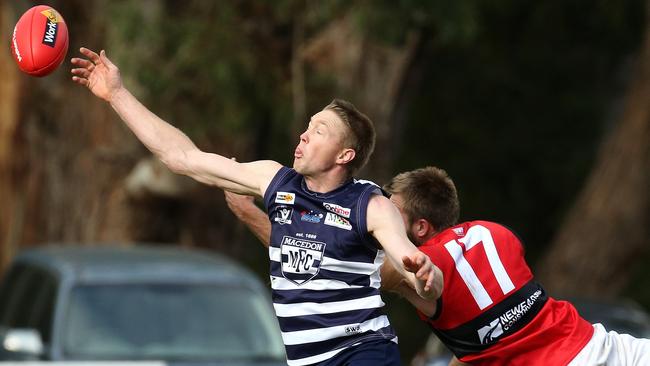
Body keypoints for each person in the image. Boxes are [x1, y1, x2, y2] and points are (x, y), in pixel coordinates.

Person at [71, 47, 442, 366]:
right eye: (308, 126)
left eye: (320, 131)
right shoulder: (275, 180)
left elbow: (415, 270)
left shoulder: (370, 205)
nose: (304, 135)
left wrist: (426, 277)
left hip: (363, 352)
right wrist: (117, 94)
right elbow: (181, 156)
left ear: (344, 155)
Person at [225, 167, 650, 365]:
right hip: (615, 350)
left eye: (389, 216)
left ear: (421, 226)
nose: (374, 226)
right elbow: (494, 338)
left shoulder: (420, 271)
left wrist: (246, 210)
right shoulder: (496, 233)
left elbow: (321, 257)